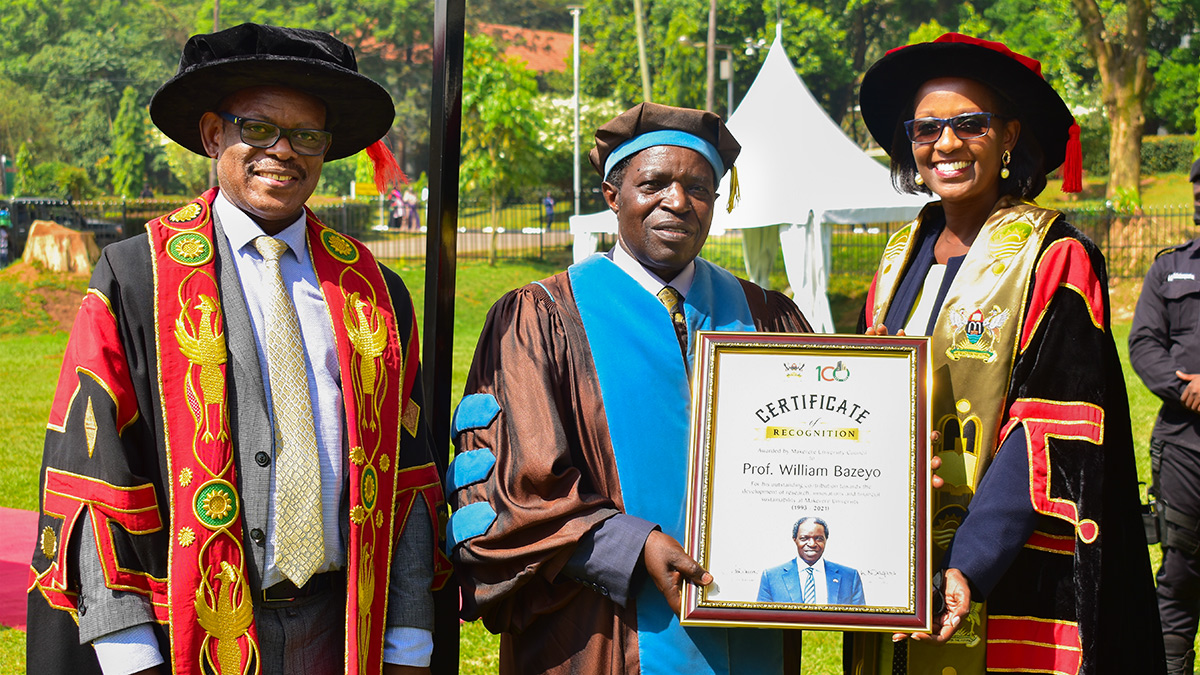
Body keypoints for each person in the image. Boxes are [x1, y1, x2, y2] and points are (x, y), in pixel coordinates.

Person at [25, 23, 450, 675]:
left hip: (341, 626)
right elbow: (94, 471)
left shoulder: (375, 293)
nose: (282, 151)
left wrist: (409, 641)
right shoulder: (138, 277)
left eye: (306, 135)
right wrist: (130, 653)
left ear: (326, 149)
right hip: (187, 629)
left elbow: (410, 474)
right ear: (211, 134)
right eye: (257, 128)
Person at [448, 102, 812, 674]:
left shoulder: (766, 316)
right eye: (654, 183)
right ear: (612, 195)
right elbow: (511, 489)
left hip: (749, 633)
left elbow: (815, 461)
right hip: (598, 637)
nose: (677, 201)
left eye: (699, 187)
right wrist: (632, 546)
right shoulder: (541, 317)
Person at [847, 33, 1164, 674]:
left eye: (970, 124)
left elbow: (1051, 426)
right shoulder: (895, 260)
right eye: (926, 128)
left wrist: (970, 560)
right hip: (891, 554)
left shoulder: (1055, 257)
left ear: (1009, 136)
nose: (946, 143)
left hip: (1010, 560)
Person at [1129, 157, 1200, 675]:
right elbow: (1144, 344)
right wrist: (1185, 390)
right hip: (1184, 443)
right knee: (1179, 571)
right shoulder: (1169, 268)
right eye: (1196, 188)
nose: (1198, 195)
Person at [756, 517, 865, 605]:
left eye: (819, 538)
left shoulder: (850, 577)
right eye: (804, 538)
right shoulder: (771, 577)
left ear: (826, 540)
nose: (812, 544)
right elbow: (763, 622)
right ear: (795, 540)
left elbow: (860, 621)